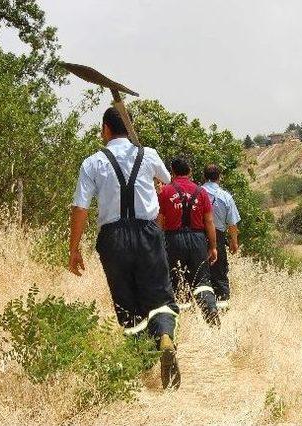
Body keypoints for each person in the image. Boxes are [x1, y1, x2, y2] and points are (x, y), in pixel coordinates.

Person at [68, 107, 181, 390]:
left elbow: (80, 207)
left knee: (126, 303)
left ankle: (141, 362)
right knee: (160, 297)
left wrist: (74, 248)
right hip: (147, 233)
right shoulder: (148, 154)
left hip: (113, 238)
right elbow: (168, 180)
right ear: (129, 129)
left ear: (106, 129)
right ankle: (165, 337)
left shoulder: (92, 162)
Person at [157, 157, 220, 327]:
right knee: (201, 280)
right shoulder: (201, 192)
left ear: (172, 172)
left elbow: (159, 222)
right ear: (190, 171)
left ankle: (184, 321)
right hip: (198, 239)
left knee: (177, 280)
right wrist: (213, 246)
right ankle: (210, 309)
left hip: (173, 239)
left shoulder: (165, 192)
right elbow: (209, 222)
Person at [202, 164, 241, 309]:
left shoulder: (197, 192)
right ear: (219, 177)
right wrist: (234, 242)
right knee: (219, 273)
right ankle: (222, 306)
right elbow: (232, 223)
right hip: (217, 236)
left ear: (204, 176)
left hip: (198, 235)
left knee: (199, 272)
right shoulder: (226, 196)